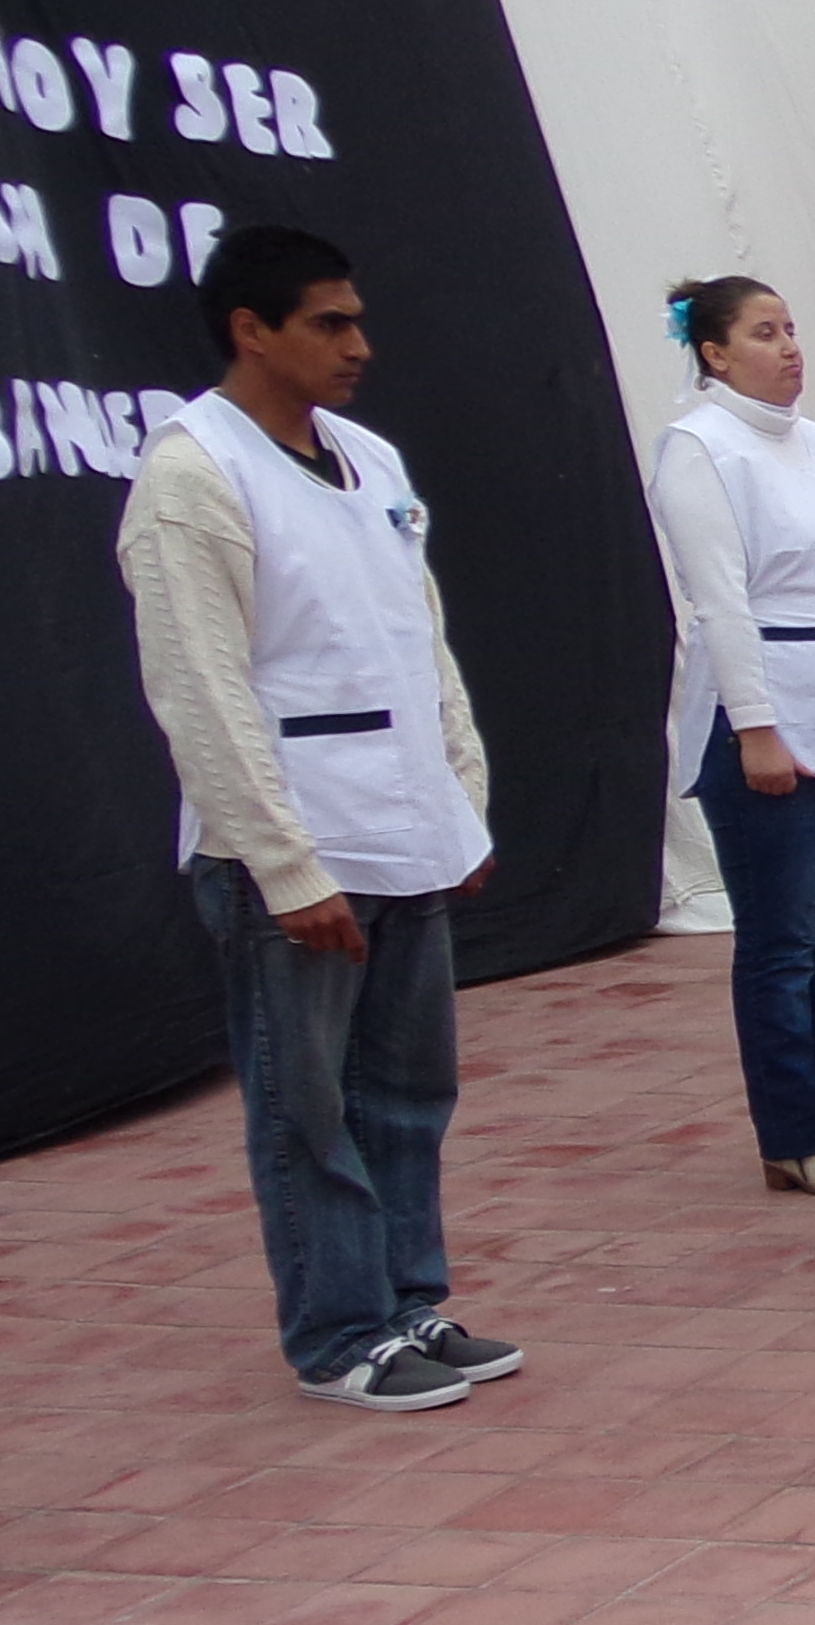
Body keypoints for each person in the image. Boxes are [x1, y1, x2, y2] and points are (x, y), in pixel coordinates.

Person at [114, 225, 515, 1411]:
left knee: (407, 1088)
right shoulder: (193, 474)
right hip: (295, 850)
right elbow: (201, 689)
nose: (359, 346)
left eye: (356, 319)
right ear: (250, 330)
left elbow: (418, 641)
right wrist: (284, 867)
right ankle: (339, 1333)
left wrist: (461, 803)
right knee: (309, 1107)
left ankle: (408, 1302)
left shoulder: (370, 458)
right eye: (328, 324)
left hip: (405, 832)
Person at [657, 277, 815, 1199]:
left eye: (792, 328)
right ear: (714, 354)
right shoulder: (700, 449)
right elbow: (721, 603)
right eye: (764, 333)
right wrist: (755, 730)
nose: (790, 346)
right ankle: (793, 1134)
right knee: (780, 944)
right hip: (766, 729)